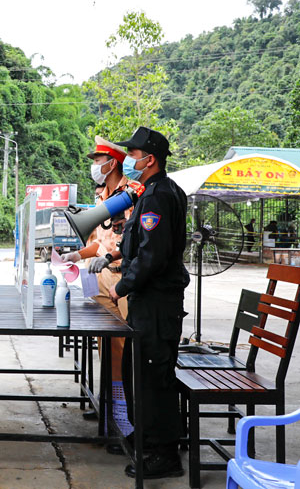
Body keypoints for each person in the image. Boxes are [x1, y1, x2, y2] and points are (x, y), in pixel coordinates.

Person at [108, 126, 189, 479]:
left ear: (150, 159)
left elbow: (152, 255)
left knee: (154, 377)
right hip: (151, 302)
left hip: (155, 303)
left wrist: (121, 286)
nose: (129, 160)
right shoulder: (156, 192)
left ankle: (163, 455)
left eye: (133, 155)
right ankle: (146, 439)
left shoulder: (158, 196)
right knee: (139, 372)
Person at [60, 136, 131, 421]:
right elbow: (100, 243)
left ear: (112, 162)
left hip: (125, 278)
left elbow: (128, 241)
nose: (95, 166)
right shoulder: (103, 197)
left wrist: (111, 257)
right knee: (108, 344)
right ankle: (114, 407)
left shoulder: (130, 194)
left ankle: (131, 411)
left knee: (130, 346)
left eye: (98, 161)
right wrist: (77, 256)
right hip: (102, 277)